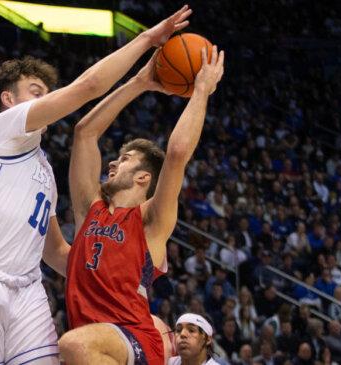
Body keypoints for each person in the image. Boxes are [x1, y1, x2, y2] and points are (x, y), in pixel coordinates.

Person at [0, 6, 193, 365]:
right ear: (8, 100)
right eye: (35, 91)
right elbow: (88, 88)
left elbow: (60, 253)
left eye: (47, 91)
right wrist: (144, 42)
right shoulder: (0, 131)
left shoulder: (45, 172)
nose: (44, 98)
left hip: (27, 290)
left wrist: (129, 293)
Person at [59, 40, 224, 364]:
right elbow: (85, 132)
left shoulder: (150, 220)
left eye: (124, 159)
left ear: (143, 178)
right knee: (73, 347)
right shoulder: (88, 209)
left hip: (133, 337)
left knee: (73, 345)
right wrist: (140, 82)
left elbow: (176, 155)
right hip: (95, 346)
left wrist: (201, 90)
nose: (112, 164)